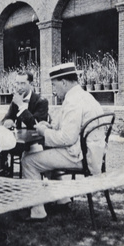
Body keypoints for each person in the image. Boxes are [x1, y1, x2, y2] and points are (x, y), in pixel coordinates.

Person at [22, 62, 105, 221]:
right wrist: (51, 126)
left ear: (64, 82)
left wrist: (44, 131)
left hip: (80, 157)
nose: (54, 90)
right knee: (44, 156)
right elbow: (69, 127)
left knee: (28, 160)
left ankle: (38, 211)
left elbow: (67, 138)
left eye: (54, 85)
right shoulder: (83, 96)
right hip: (90, 153)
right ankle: (62, 198)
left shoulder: (73, 102)